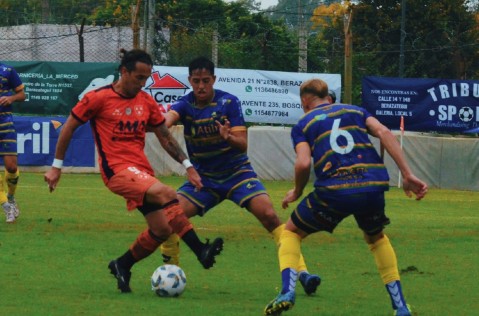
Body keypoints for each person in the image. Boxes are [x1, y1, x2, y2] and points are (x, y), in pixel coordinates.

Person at [44, 49, 223, 293]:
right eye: (139, 77)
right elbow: (69, 127)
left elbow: (165, 138)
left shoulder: (146, 101)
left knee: (162, 229)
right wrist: (56, 167)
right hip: (117, 172)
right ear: (124, 72)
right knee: (167, 192)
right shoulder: (98, 98)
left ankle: (122, 264)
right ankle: (200, 250)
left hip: (141, 172)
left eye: (146, 78)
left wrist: (188, 167)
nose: (143, 83)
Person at [264, 78, 428, 316]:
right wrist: (407, 174)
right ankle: (401, 307)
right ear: (328, 98)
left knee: (290, 232)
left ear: (305, 101)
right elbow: (383, 132)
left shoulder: (304, 124)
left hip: (335, 190)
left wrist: (297, 192)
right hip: (371, 186)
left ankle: (287, 292)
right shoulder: (356, 110)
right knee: (376, 238)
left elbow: (302, 163)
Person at [159, 56, 320, 295]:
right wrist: (161, 122)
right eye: (196, 81)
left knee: (269, 215)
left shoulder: (229, 102)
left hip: (237, 172)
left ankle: (302, 273)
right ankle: (170, 275)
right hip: (204, 178)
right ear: (190, 81)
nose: (201, 86)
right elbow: (164, 124)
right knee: (169, 219)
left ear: (213, 79)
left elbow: (242, 144)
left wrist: (227, 137)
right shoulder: (184, 105)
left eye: (205, 80)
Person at [0, 62, 25, 223]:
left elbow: (22, 95)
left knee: (11, 166)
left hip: (5, 122)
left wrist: (11, 98)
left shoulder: (7, 70)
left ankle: (11, 197)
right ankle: (6, 206)